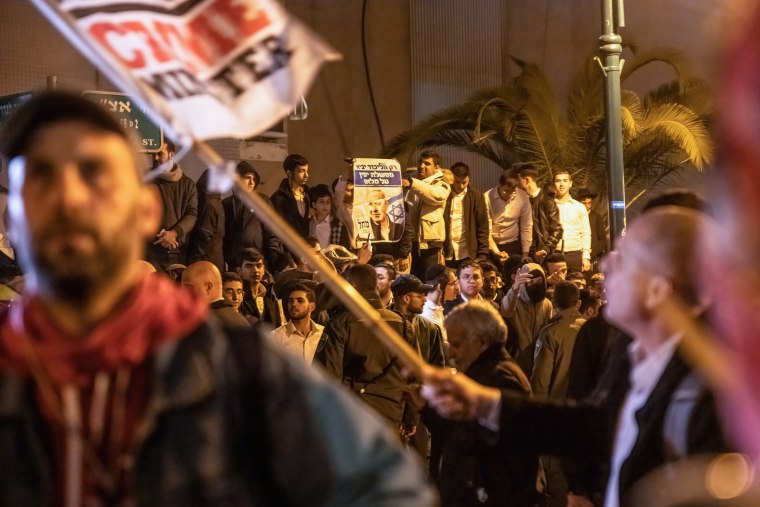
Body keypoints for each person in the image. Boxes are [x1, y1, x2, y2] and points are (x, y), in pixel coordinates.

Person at [0, 91, 435, 506]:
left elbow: (390, 486)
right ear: (11, 219)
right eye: (40, 177)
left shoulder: (237, 368)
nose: (70, 198)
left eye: (94, 174)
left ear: (145, 210)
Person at [421, 206, 728, 507]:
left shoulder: (712, 396)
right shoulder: (630, 356)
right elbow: (591, 427)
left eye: (624, 259)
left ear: (659, 290)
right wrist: (482, 402)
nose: (605, 265)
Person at [423, 300, 539, 506]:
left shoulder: (498, 379)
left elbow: (476, 442)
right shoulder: (484, 374)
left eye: (457, 345)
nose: (451, 354)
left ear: (481, 342)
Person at [316, 264, 415, 432]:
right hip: (392, 414)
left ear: (351, 287)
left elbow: (328, 377)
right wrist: (411, 418)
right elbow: (414, 377)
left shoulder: (341, 324)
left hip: (353, 416)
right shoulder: (404, 324)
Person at [223, 161, 292, 273]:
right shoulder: (227, 204)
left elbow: (272, 235)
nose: (251, 182)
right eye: (247, 178)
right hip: (236, 268)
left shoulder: (262, 202)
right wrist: (231, 260)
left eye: (254, 179)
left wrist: (271, 263)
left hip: (259, 265)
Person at [144, 140, 198, 270]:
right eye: (153, 154)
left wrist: (174, 233)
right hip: (149, 251)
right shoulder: (145, 179)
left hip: (176, 252)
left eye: (160, 154)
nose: (155, 158)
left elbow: (191, 214)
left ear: (171, 155)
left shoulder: (188, 184)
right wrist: (159, 236)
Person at [403, 150, 451, 279]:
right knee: (413, 281)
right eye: (420, 162)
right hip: (411, 243)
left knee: (432, 283)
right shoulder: (413, 184)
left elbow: (434, 195)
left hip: (430, 244)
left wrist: (412, 183)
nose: (421, 166)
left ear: (437, 168)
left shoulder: (442, 185)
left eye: (427, 163)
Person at [500, 262, 554, 375]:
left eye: (539, 281)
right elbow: (506, 311)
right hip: (517, 362)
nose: (535, 285)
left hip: (539, 362)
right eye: (530, 282)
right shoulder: (514, 301)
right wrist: (515, 289)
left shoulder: (546, 304)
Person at [443, 162, 490, 267]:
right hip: (446, 251)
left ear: (469, 178)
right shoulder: (443, 194)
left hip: (468, 252)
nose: (461, 186)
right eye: (457, 182)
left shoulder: (476, 196)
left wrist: (482, 254)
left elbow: (483, 226)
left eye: (464, 182)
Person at [182, 260, 249, 328]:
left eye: (189, 288)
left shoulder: (205, 322)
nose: (183, 294)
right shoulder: (238, 319)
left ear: (208, 288)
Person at [517, 165, 563, 264]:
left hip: (541, 255)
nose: (516, 184)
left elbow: (557, 230)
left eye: (518, 180)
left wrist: (545, 249)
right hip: (523, 254)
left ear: (526, 180)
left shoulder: (547, 201)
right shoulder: (519, 201)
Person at [484, 170, 533, 262]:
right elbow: (486, 230)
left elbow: (526, 226)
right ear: (499, 185)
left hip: (514, 243)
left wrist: (525, 253)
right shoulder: (487, 197)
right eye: (506, 191)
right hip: (493, 245)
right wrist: (497, 252)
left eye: (513, 192)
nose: (509, 195)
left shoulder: (522, 197)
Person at [270, 283, 325, 363]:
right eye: (290, 301)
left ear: (311, 307)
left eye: (300, 301)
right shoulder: (275, 337)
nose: (294, 304)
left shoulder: (323, 333)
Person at [186, 169, 225, 273]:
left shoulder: (208, 204)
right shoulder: (219, 204)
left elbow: (204, 234)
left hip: (205, 262)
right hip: (216, 260)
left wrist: (192, 261)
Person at [553, 169, 591, 273]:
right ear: (553, 184)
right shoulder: (548, 206)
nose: (561, 184)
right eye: (558, 181)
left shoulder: (579, 207)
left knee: (576, 286)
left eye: (565, 181)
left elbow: (586, 233)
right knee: (554, 287)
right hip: (554, 254)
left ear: (570, 183)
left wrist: (586, 257)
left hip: (575, 255)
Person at [237, 247, 283, 327]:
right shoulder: (238, 296)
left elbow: (278, 326)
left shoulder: (270, 293)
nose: (255, 270)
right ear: (239, 271)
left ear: (263, 269)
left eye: (259, 266)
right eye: (249, 266)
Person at [271, 153, 311, 238]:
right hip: (287, 247)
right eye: (301, 171)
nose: (306, 175)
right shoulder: (279, 198)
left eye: (307, 171)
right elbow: (276, 230)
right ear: (289, 173)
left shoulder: (307, 195)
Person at [309, 184, 352, 250]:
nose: (325, 205)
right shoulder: (309, 223)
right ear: (314, 205)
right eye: (321, 202)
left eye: (328, 202)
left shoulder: (338, 226)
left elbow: (345, 249)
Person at [577, 189, 608, 265]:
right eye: (584, 203)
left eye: (589, 203)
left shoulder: (596, 218)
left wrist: (592, 254)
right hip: (576, 257)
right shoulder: (574, 217)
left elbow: (602, 240)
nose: (587, 206)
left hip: (592, 259)